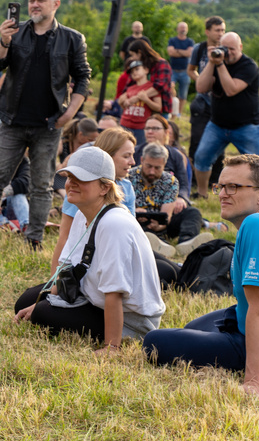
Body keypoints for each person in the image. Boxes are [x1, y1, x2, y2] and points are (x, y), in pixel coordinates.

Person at [0, 0, 91, 249]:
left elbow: (83, 77)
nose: (34, 5)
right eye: (31, 0)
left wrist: (70, 113)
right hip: (13, 120)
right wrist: (3, 41)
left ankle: (33, 238)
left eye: (40, 0)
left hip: (49, 123)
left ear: (55, 4)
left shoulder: (71, 38)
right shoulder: (17, 32)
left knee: (42, 184)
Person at [15, 146, 165, 348]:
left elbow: (115, 293)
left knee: (42, 313)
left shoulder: (115, 224)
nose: (71, 184)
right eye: (69, 177)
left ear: (105, 187)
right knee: (26, 301)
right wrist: (44, 302)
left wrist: (112, 347)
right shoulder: (82, 214)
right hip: (92, 296)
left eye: (81, 179)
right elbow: (67, 271)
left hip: (131, 319)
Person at [143, 154, 259, 397]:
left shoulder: (256, 224)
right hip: (241, 317)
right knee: (191, 328)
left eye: (234, 187)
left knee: (154, 342)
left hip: (250, 335)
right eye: (220, 186)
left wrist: (252, 381)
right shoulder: (251, 226)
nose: (222, 194)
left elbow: (258, 309)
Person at [50, 127, 138, 272]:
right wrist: (54, 280)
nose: (133, 162)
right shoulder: (81, 189)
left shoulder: (126, 186)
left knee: (166, 268)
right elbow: (65, 239)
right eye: (126, 156)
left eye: (132, 155)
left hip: (120, 255)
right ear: (108, 156)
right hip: (91, 260)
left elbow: (131, 234)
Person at [192, 32, 259, 197]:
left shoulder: (248, 66)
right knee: (201, 157)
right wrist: (211, 62)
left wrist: (219, 65)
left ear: (241, 47)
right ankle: (202, 193)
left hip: (246, 126)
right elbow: (201, 88)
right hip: (217, 125)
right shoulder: (216, 63)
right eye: (224, 48)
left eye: (232, 49)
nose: (228, 52)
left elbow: (231, 89)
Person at [130, 143, 208, 258]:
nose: (152, 171)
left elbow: (167, 215)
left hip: (162, 223)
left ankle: (186, 241)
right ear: (141, 160)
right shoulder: (129, 177)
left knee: (192, 212)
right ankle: (157, 243)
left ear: (164, 164)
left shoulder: (170, 181)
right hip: (137, 223)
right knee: (136, 225)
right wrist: (134, 211)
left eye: (157, 168)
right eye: (148, 166)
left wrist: (160, 225)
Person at [187, 16, 226, 180]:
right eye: (217, 30)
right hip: (202, 102)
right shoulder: (200, 48)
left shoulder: (227, 49)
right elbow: (191, 70)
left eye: (223, 30)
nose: (220, 33)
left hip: (221, 103)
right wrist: (201, 82)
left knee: (220, 142)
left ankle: (215, 178)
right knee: (197, 139)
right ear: (207, 31)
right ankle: (194, 178)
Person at [133, 115, 190, 203]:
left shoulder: (176, 155)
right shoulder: (135, 152)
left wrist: (181, 197)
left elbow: (183, 184)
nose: (150, 132)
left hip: (168, 200)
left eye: (155, 128)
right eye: (147, 128)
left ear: (166, 132)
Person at [118, 59, 161, 145]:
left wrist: (146, 100)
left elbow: (158, 107)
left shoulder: (151, 88)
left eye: (137, 69)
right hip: (124, 124)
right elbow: (121, 102)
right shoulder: (130, 88)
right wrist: (124, 101)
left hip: (140, 128)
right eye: (132, 71)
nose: (134, 72)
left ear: (146, 70)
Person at [126, 40, 173, 116]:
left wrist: (137, 98)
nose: (132, 58)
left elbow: (160, 86)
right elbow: (129, 85)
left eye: (133, 55)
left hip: (159, 110)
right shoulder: (140, 66)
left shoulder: (161, 64)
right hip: (141, 110)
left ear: (140, 52)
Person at [167, 22, 194, 116]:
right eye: (181, 28)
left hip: (185, 71)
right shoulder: (172, 40)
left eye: (185, 28)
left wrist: (177, 51)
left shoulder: (190, 41)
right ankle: (171, 110)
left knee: (183, 94)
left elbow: (190, 54)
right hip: (173, 70)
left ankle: (179, 113)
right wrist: (184, 52)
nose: (183, 30)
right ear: (177, 29)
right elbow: (170, 52)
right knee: (169, 89)